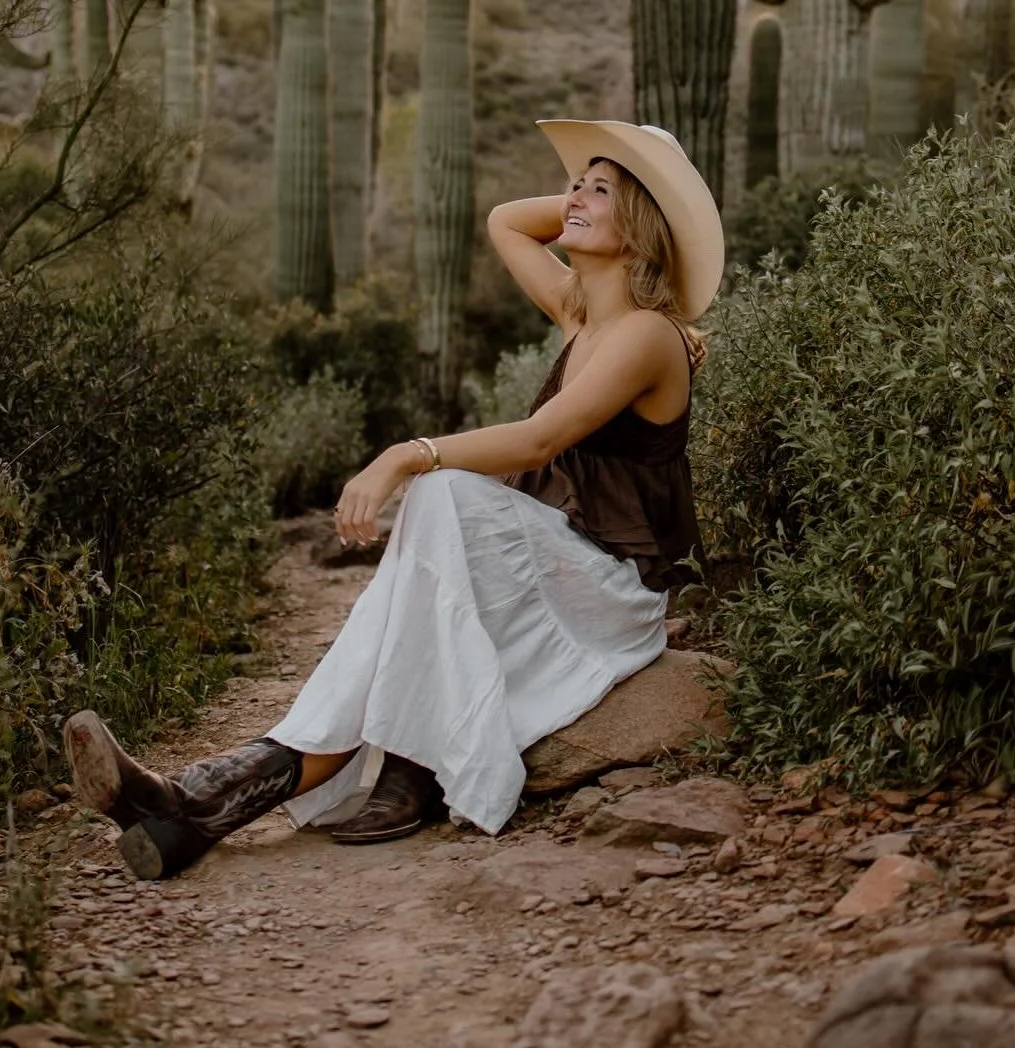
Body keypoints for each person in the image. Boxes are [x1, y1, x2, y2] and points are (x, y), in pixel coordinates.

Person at [64, 119, 725, 881]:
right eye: (575, 182)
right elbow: (504, 221)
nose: (572, 194)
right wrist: (596, 200)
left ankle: (338, 779)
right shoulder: (582, 312)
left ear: (641, 225)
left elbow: (541, 440)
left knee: (442, 493)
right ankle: (194, 808)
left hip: (613, 587)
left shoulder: (647, 335)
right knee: (404, 596)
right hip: (561, 563)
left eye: (598, 190)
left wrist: (403, 455)